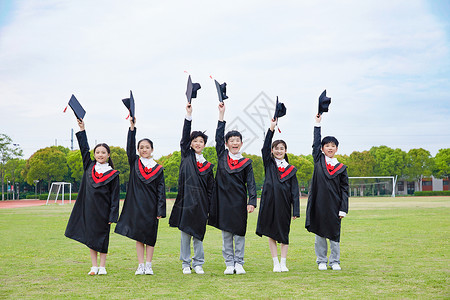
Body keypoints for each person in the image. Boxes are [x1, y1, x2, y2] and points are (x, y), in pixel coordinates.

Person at [65, 119, 120, 275]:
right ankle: (94, 266)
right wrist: (82, 129)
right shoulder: (89, 167)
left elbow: (115, 197)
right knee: (91, 237)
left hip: (104, 211)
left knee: (102, 237)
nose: (100, 155)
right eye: (97, 152)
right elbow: (84, 148)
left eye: (103, 152)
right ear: (94, 155)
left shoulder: (113, 174)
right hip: (89, 209)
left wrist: (112, 214)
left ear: (108, 155)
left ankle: (102, 266)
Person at [208, 102, 257, 275]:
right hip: (222, 201)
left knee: (239, 234)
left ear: (241, 144)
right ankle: (229, 263)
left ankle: (239, 263)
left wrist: (252, 201)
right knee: (226, 234)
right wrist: (221, 115)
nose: (234, 143)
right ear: (227, 144)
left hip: (238, 203)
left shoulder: (246, 162)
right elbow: (218, 136)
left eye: (237, 141)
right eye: (231, 141)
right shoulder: (222, 156)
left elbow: (251, 183)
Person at [114, 117, 166, 275]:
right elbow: (129, 147)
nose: (144, 150)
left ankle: (149, 265)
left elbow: (161, 190)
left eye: (147, 147)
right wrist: (132, 128)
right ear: (138, 150)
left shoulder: (158, 168)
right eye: (141, 147)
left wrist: (160, 210)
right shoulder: (134, 162)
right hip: (136, 206)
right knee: (138, 237)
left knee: (150, 237)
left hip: (151, 208)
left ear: (152, 149)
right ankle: (140, 265)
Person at [169, 102, 215, 275]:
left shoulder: (208, 166)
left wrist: (210, 207)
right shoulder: (186, 156)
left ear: (204, 144)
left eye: (200, 141)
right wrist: (189, 115)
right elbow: (183, 138)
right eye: (194, 141)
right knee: (185, 235)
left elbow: (211, 189)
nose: (197, 143)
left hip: (201, 204)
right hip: (186, 202)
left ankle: (198, 263)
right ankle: (185, 264)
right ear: (190, 143)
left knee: (198, 235)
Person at [305, 114, 349, 271]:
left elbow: (345, 190)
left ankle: (335, 261)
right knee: (320, 235)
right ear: (322, 149)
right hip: (319, 204)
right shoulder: (319, 160)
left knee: (334, 234)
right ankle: (321, 260)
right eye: (327, 145)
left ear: (337, 148)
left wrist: (343, 209)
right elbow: (315, 143)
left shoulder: (341, 168)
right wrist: (317, 123)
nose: (330, 148)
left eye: (333, 145)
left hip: (335, 206)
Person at [256, 117, 300, 272]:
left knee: (284, 233)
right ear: (272, 151)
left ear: (285, 151)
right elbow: (264, 147)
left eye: (282, 148)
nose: (279, 151)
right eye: (276, 148)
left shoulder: (291, 169)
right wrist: (271, 128)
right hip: (269, 203)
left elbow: (295, 191)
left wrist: (296, 210)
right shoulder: (269, 164)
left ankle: (283, 262)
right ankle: (275, 263)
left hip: (284, 206)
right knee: (271, 233)